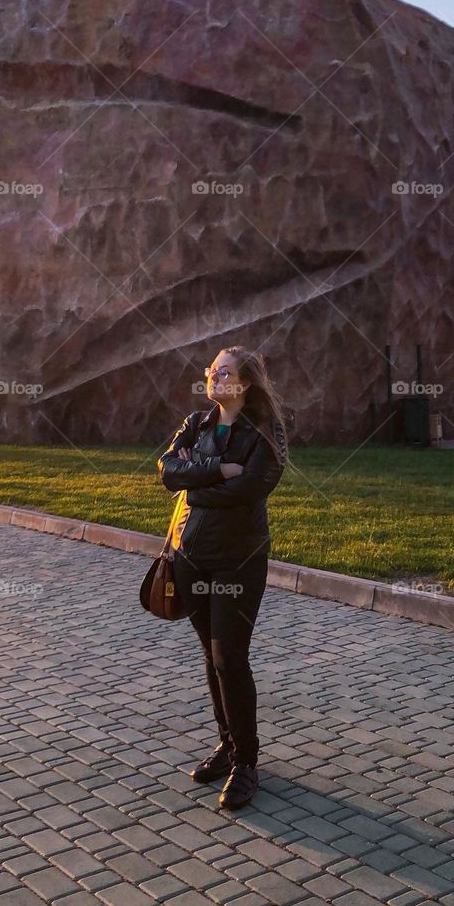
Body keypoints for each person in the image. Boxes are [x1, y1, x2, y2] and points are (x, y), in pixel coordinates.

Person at [157, 345, 292, 810]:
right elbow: (167, 470)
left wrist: (198, 486)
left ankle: (247, 763)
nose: (214, 377)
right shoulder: (196, 424)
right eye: (212, 370)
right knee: (210, 655)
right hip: (190, 555)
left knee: (230, 657)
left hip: (238, 559)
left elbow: (250, 488)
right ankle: (227, 745)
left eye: (225, 372)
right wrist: (215, 470)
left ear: (246, 383)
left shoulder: (263, 433)